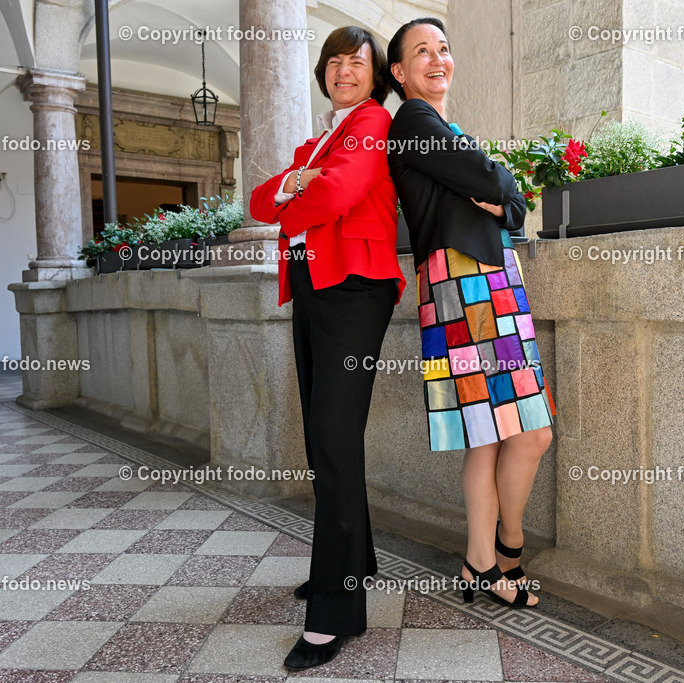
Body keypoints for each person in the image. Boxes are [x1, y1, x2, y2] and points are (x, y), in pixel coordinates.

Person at [249, 26, 405, 670]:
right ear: (324, 71)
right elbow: (258, 199)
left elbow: (334, 194)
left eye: (358, 63)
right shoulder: (317, 140)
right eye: (335, 62)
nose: (345, 71)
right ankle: (354, 563)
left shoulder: (372, 122)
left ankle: (335, 611)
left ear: (376, 76)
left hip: (354, 291)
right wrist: (291, 186)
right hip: (313, 284)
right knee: (323, 440)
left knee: (335, 441)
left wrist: (294, 191)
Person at [386, 17, 556, 609]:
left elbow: (512, 205)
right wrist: (499, 187)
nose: (438, 59)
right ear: (399, 72)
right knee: (527, 433)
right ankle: (504, 551)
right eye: (422, 52)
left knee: (493, 436)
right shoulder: (413, 120)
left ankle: (481, 563)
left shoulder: (443, 126)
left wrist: (502, 197)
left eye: (444, 48)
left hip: (481, 284)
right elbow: (493, 180)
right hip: (466, 287)